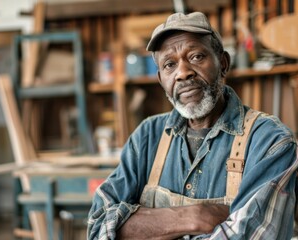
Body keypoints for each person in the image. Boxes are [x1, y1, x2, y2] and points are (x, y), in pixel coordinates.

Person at [87, 12, 298, 239]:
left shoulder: (271, 142)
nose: (183, 72)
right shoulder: (147, 137)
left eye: (197, 57)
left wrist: (143, 225)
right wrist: (195, 216)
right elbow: (99, 227)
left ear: (223, 63)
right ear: (161, 80)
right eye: (169, 64)